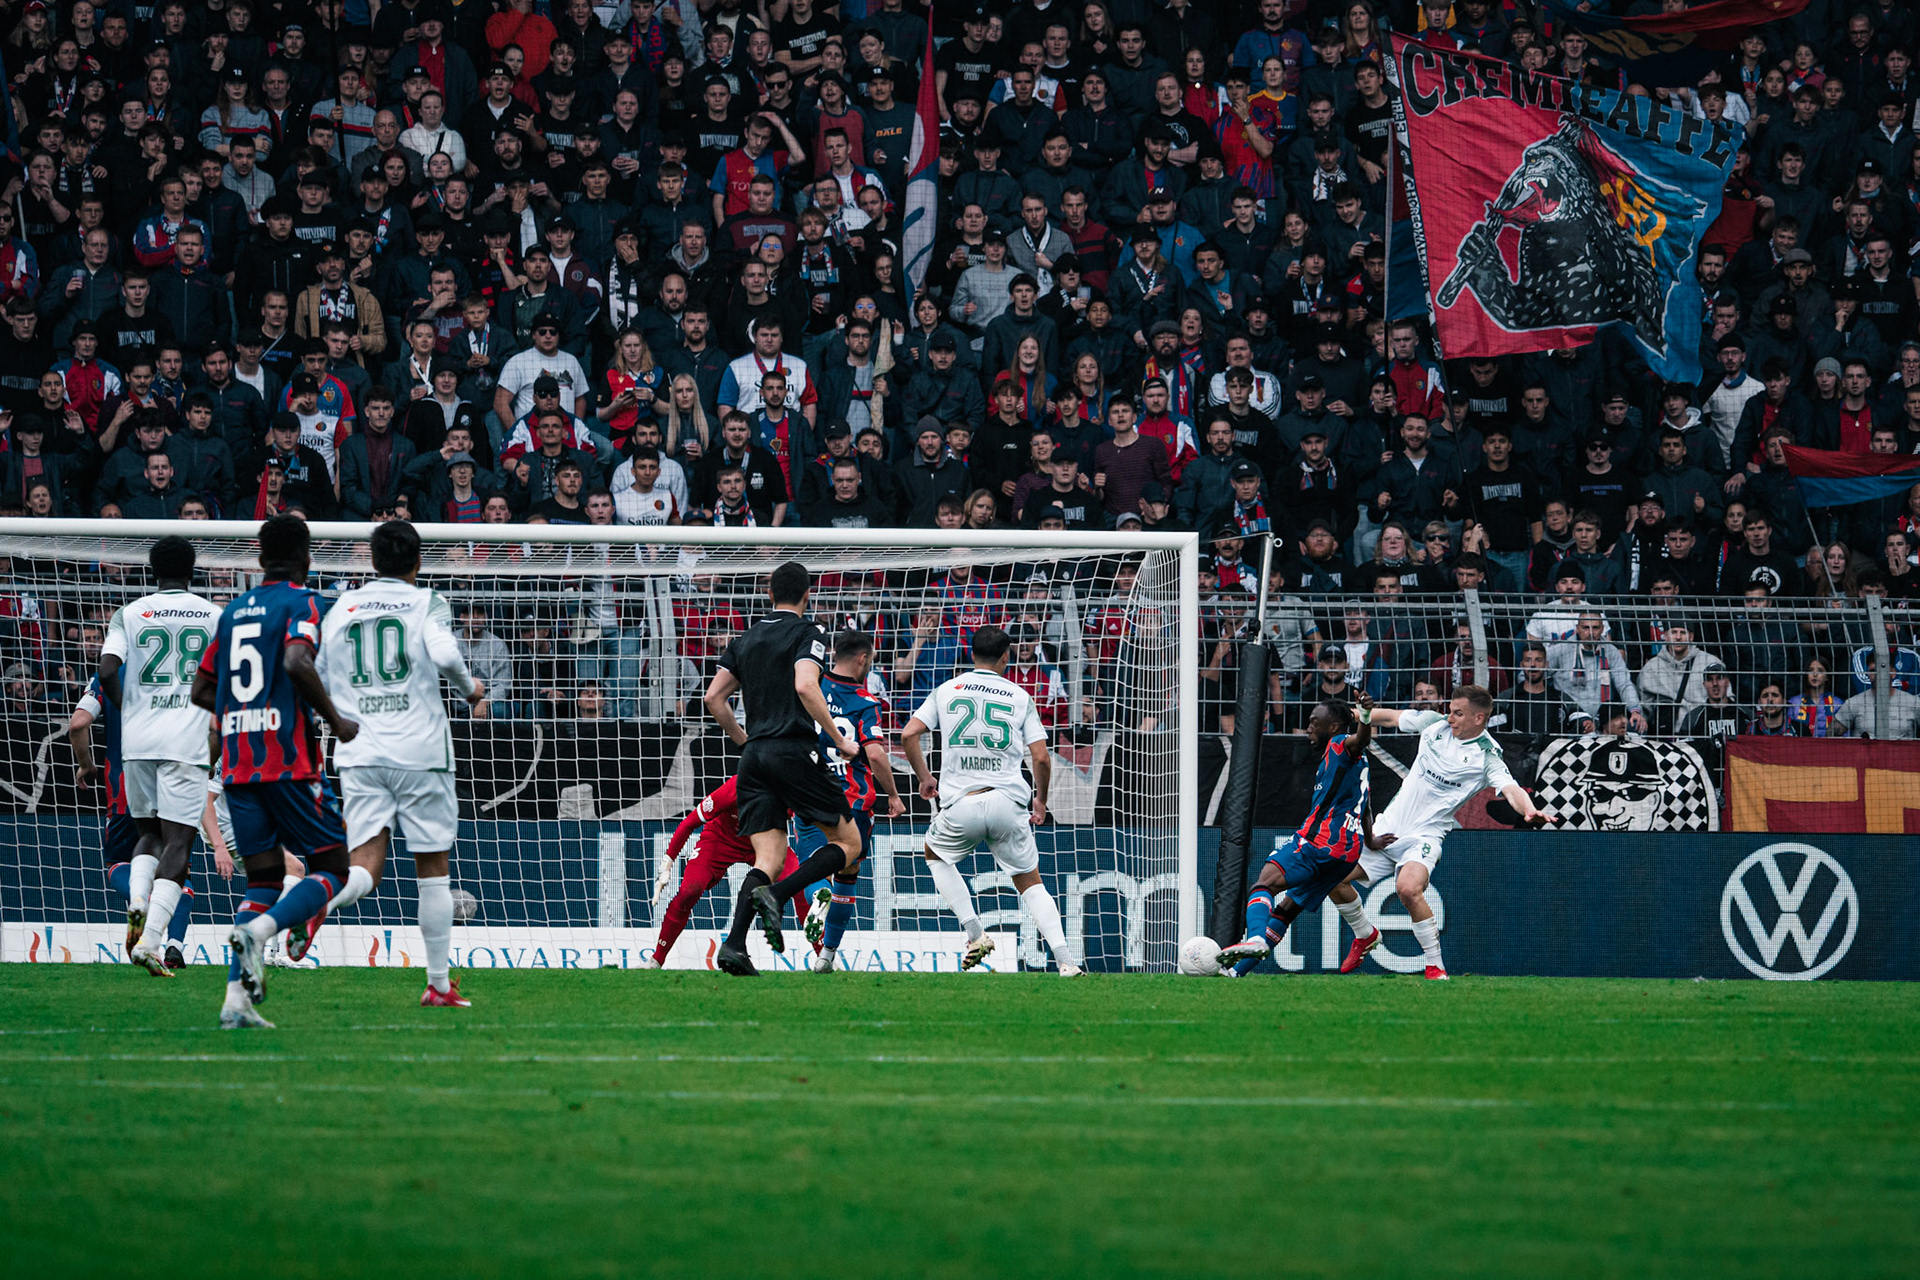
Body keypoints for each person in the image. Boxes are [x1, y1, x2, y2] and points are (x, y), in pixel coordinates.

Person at [189, 515, 362, 1029]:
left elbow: (202, 690)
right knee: (333, 867)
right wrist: (336, 720)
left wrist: (235, 712)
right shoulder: (303, 602)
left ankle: (235, 1003)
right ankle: (262, 934)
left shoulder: (233, 612)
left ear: (259, 557)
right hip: (287, 763)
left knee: (263, 879)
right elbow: (295, 662)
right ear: (306, 558)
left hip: (238, 768)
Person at [315, 521, 485, 1008]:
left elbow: (317, 673)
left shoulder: (342, 606)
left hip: (359, 749)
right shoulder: (425, 600)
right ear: (417, 563)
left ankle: (316, 901)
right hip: (419, 752)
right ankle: (437, 984)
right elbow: (446, 653)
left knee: (364, 864)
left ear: (372, 562)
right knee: (432, 867)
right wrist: (469, 688)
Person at [700, 561, 864, 976]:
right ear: (807, 595)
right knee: (849, 843)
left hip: (754, 757)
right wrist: (841, 740)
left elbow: (714, 698)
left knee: (768, 856)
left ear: (769, 594)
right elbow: (806, 684)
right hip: (793, 749)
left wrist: (745, 741)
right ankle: (779, 894)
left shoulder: (745, 638)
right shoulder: (809, 632)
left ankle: (734, 946)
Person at [900, 624, 1082, 976]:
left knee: (935, 855)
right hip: (1008, 803)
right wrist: (1040, 801)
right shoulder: (1019, 696)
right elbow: (1041, 758)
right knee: (1030, 882)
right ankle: (1066, 961)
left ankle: (975, 933)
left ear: (971, 654)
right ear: (1006, 656)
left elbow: (909, 734)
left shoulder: (947, 689)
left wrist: (925, 778)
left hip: (962, 803)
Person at [1343, 687, 1553, 980]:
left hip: (1426, 836)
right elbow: (1389, 717)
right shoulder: (1433, 724)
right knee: (1331, 877)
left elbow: (1511, 788)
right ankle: (1365, 934)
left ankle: (1435, 965)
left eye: (1458, 713)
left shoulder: (1487, 754)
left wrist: (1528, 810)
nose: (1449, 717)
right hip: (1386, 829)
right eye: (1450, 710)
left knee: (1408, 888)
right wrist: (1349, 714)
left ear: (1478, 718)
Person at [96, 536, 221, 976]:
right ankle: (151, 940)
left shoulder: (128, 614)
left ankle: (136, 902)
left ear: (151, 571)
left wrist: (129, 709)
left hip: (138, 741)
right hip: (184, 741)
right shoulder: (213, 615)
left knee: (146, 834)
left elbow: (107, 669)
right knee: (180, 842)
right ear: (193, 570)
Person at [1216, 694, 1389, 977]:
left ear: (1332, 727)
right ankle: (1235, 973)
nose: (1308, 728)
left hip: (1321, 842)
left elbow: (1360, 739)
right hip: (1348, 853)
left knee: (1264, 884)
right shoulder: (1360, 765)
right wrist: (1370, 841)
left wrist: (1366, 718)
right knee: (1285, 910)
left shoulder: (1339, 744)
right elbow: (1365, 805)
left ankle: (1256, 938)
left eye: (1313, 722)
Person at [71, 670, 202, 972]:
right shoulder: (180, 667)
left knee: (119, 861)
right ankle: (174, 947)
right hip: (174, 780)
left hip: (126, 785)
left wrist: (86, 764)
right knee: (176, 864)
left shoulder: (110, 672)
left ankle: (139, 898)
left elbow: (78, 724)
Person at [799, 630, 906, 973]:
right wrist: (893, 793)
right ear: (863, 658)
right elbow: (874, 754)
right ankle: (827, 956)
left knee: (812, 865)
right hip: (854, 801)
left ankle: (818, 895)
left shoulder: (809, 690)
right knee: (848, 875)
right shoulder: (864, 700)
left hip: (812, 793)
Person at [650, 776, 815, 967]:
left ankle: (824, 958)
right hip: (721, 841)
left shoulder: (788, 789)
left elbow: (809, 825)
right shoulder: (733, 789)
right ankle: (657, 959)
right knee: (690, 891)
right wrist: (668, 861)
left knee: (801, 886)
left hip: (766, 842)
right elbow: (689, 822)